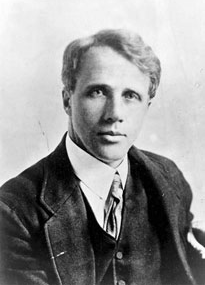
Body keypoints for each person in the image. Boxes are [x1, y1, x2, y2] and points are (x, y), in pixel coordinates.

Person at [0, 29, 204, 285]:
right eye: (98, 92)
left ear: (146, 107)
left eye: (131, 96)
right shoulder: (13, 211)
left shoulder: (168, 179)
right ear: (67, 100)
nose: (114, 113)